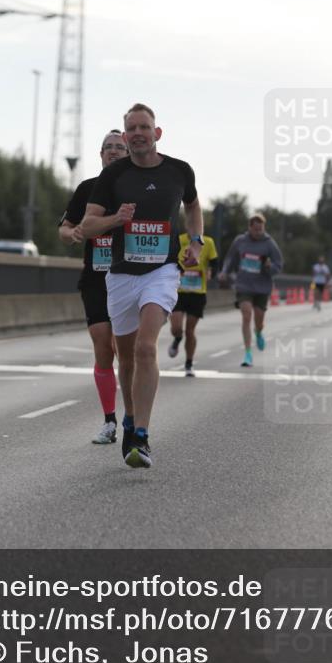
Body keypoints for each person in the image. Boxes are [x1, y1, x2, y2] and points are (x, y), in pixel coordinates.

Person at [81, 103, 203, 470]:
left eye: (143, 127)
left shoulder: (179, 171)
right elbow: (87, 225)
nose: (137, 133)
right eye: (131, 128)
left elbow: (193, 207)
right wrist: (115, 219)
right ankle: (130, 416)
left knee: (146, 347)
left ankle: (141, 435)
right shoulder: (113, 176)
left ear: (157, 132)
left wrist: (196, 242)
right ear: (125, 135)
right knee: (127, 356)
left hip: (161, 272)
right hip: (120, 275)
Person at [58, 130, 128, 445]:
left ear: (128, 153)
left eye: (119, 147)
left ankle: (134, 416)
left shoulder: (138, 188)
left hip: (129, 277)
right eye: (108, 147)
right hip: (96, 278)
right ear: (100, 155)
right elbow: (65, 228)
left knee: (125, 349)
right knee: (103, 344)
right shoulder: (87, 189)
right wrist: (71, 234)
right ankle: (110, 421)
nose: (113, 151)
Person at [218, 212, 283, 367]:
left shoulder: (269, 243)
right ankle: (248, 353)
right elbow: (230, 258)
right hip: (244, 285)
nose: (259, 232)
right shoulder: (240, 241)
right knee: (246, 315)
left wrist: (269, 267)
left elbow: (279, 264)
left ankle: (258, 332)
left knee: (258, 319)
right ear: (249, 228)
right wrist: (225, 272)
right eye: (256, 229)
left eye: (261, 229)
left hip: (262, 287)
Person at [168, 232, 219, 376]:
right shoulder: (179, 239)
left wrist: (211, 272)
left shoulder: (208, 242)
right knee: (176, 328)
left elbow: (215, 263)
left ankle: (189, 364)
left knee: (190, 330)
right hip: (179, 291)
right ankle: (177, 338)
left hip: (198, 293)